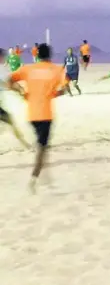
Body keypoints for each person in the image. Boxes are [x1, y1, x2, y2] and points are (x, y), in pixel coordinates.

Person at [8, 43, 67, 193]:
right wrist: (53, 94)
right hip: (45, 115)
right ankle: (34, 179)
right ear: (50, 55)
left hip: (31, 114)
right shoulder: (56, 70)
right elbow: (65, 89)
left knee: (43, 146)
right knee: (42, 147)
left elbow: (10, 80)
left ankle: (46, 177)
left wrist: (20, 90)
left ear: (37, 55)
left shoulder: (28, 69)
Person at [0, 48, 30, 149]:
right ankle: (24, 143)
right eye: (3, 57)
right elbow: (9, 84)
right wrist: (21, 91)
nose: (4, 59)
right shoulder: (1, 68)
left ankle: (24, 143)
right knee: (10, 121)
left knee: (9, 120)